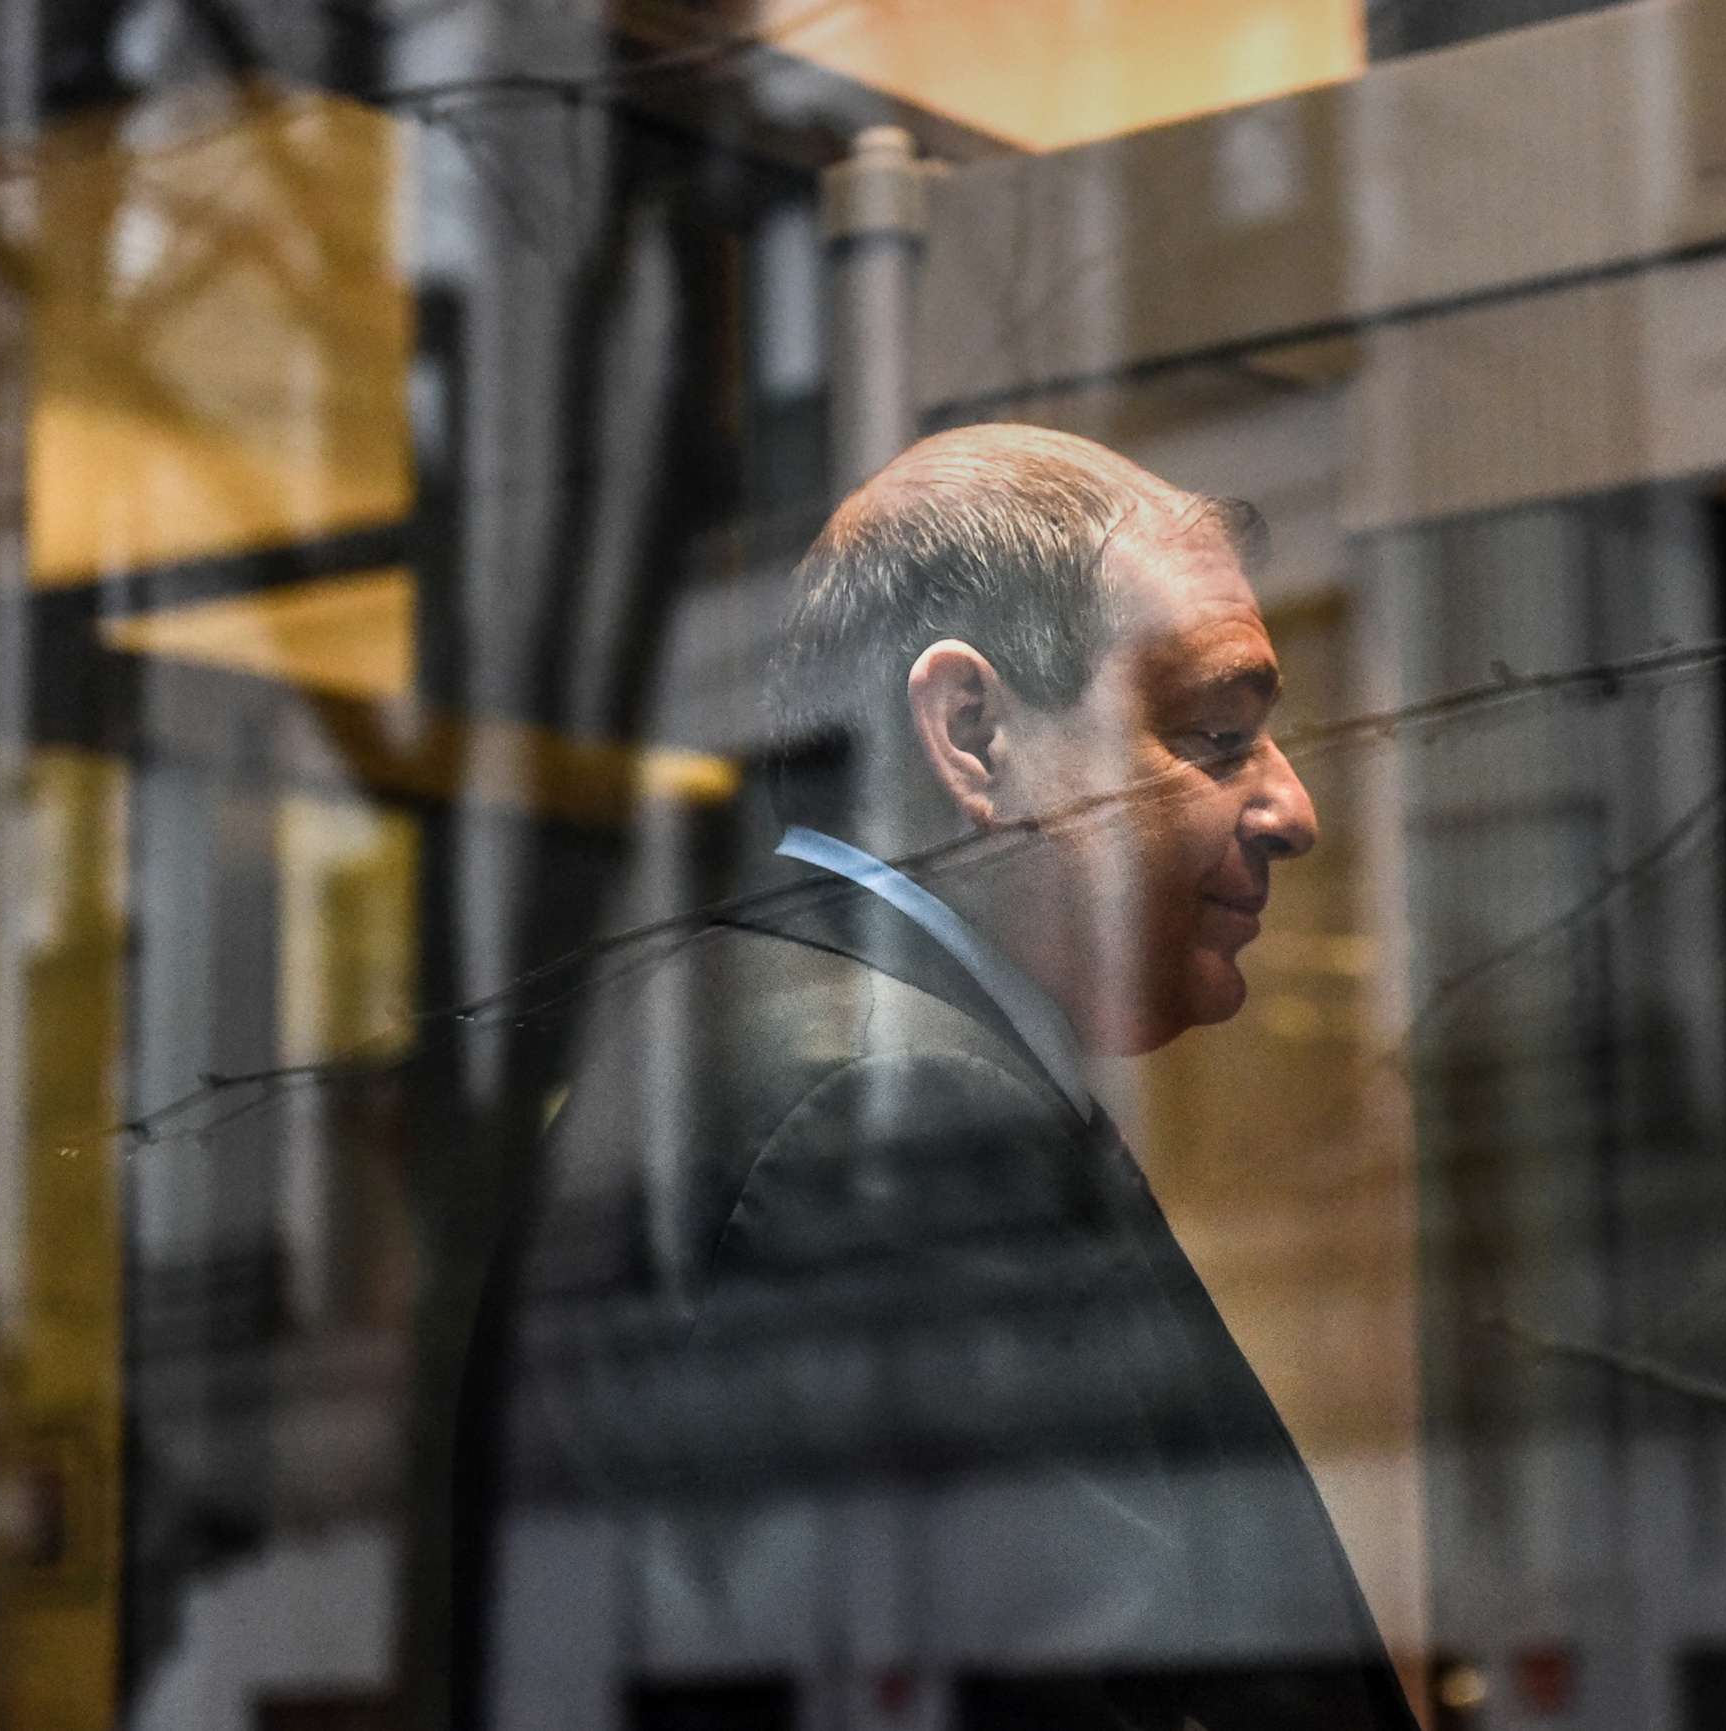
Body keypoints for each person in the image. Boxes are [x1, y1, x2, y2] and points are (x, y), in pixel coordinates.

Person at [460, 426, 1417, 1731]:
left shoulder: (788, 1052)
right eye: (1212, 734)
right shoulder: (886, 1115)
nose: (1293, 808)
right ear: (972, 734)